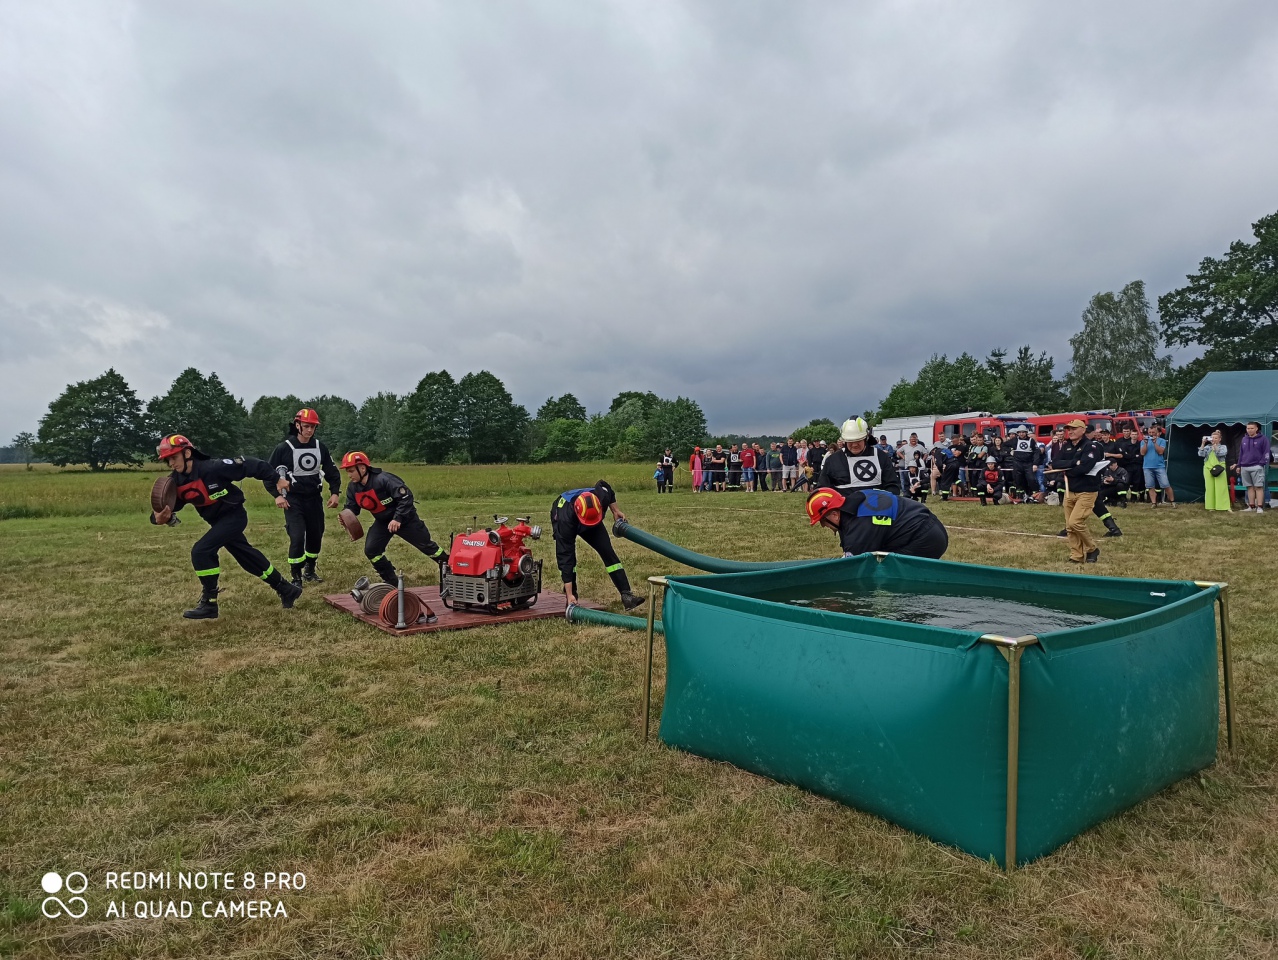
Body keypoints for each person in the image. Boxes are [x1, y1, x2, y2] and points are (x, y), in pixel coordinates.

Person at [151, 433, 302, 620]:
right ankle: (286, 589)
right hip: (217, 523)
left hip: (235, 517)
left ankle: (209, 603)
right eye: (168, 460)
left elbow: (252, 465)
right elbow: (164, 509)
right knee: (246, 557)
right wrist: (158, 518)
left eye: (174, 457)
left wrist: (277, 479)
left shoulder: (214, 468)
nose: (171, 463)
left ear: (187, 453)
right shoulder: (176, 483)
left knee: (201, 551)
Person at [341, 452, 448, 586]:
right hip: (383, 522)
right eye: (347, 471)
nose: (349, 475)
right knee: (372, 551)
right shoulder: (353, 487)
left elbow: (406, 498)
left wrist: (398, 518)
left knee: (428, 548)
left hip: (406, 519)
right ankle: (392, 583)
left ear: (362, 468)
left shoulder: (384, 479)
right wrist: (346, 516)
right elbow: (352, 507)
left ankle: (451, 571)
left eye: (351, 471)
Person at [265, 408, 341, 587]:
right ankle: (296, 576)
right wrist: (277, 496)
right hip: (293, 500)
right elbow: (267, 474)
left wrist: (335, 492)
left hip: (314, 499)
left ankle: (310, 570)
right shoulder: (283, 448)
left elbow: (331, 471)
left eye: (313, 427)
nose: (309, 430)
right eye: (306, 426)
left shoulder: (319, 447)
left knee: (316, 535)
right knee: (297, 537)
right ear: (297, 425)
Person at [551, 480, 643, 610]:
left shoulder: (601, 497)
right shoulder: (564, 521)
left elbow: (606, 486)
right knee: (569, 560)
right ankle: (572, 597)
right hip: (567, 516)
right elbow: (564, 557)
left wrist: (615, 510)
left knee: (607, 551)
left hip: (590, 515)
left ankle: (627, 595)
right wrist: (569, 594)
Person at [805, 487, 948, 559]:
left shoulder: (858, 528)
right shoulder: (856, 502)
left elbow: (854, 566)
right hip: (932, 527)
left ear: (834, 514)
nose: (823, 526)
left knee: (888, 573)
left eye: (822, 521)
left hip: (924, 539)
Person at [1047, 419, 1104, 562]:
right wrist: (1073, 463)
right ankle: (1076, 555)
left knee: (1075, 522)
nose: (1070, 432)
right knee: (1069, 527)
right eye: (1069, 429)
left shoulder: (1091, 446)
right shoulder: (1066, 445)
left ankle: (1092, 549)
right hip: (1070, 490)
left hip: (1087, 490)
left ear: (1083, 430)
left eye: (1074, 429)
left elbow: (1085, 467)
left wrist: (1067, 471)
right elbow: (1055, 463)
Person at [815, 418, 901, 495]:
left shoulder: (881, 457)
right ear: (844, 440)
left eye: (858, 440)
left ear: (866, 438)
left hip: (877, 507)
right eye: (850, 441)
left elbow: (893, 486)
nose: (855, 445)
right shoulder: (833, 460)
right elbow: (823, 490)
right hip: (844, 508)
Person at [1235, 421, 1270, 513]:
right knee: (1249, 487)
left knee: (1258, 487)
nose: (1249, 430)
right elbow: (1241, 453)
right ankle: (1251, 506)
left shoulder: (1263, 439)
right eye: (1248, 428)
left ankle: (1260, 507)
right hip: (1244, 466)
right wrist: (1239, 465)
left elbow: (1266, 452)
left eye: (1251, 428)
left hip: (1257, 466)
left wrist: (1261, 463)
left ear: (1256, 428)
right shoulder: (1244, 439)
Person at [1140, 425, 1175, 507]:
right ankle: (1154, 503)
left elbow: (1160, 452)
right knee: (1150, 486)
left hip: (1159, 466)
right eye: (1149, 432)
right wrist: (1146, 443)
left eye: (1153, 432)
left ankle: (1172, 501)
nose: (1151, 434)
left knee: (1166, 484)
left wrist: (1154, 442)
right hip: (1147, 466)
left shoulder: (1162, 441)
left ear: (1157, 433)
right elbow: (1142, 453)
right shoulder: (1143, 441)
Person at [1008, 426, 1044, 503]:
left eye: (1023, 432)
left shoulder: (1031, 440)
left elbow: (1036, 452)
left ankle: (1035, 495)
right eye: (1020, 432)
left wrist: (1035, 464)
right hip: (1017, 463)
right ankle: (1021, 496)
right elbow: (1004, 445)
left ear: (1026, 433)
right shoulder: (1014, 440)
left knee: (1031, 479)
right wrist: (1010, 451)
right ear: (1018, 433)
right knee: (1018, 480)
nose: (1021, 434)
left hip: (1028, 463)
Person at [1199, 430, 1230, 512]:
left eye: (1216, 438)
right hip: (1208, 468)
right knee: (1209, 487)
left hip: (1220, 468)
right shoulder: (1207, 447)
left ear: (1220, 439)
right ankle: (1210, 506)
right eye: (1212, 438)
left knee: (1221, 487)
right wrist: (1203, 443)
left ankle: (1224, 506)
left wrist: (1215, 447)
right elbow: (1201, 454)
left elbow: (1222, 453)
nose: (1214, 439)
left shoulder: (1223, 447)